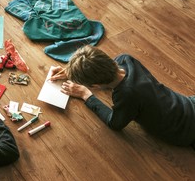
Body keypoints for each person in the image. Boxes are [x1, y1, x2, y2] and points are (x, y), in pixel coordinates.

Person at [49, 45, 195, 147]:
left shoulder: (126, 95)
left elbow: (115, 123)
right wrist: (72, 70)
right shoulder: (125, 59)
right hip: (187, 104)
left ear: (95, 86)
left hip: (183, 131)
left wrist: (86, 95)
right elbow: (100, 69)